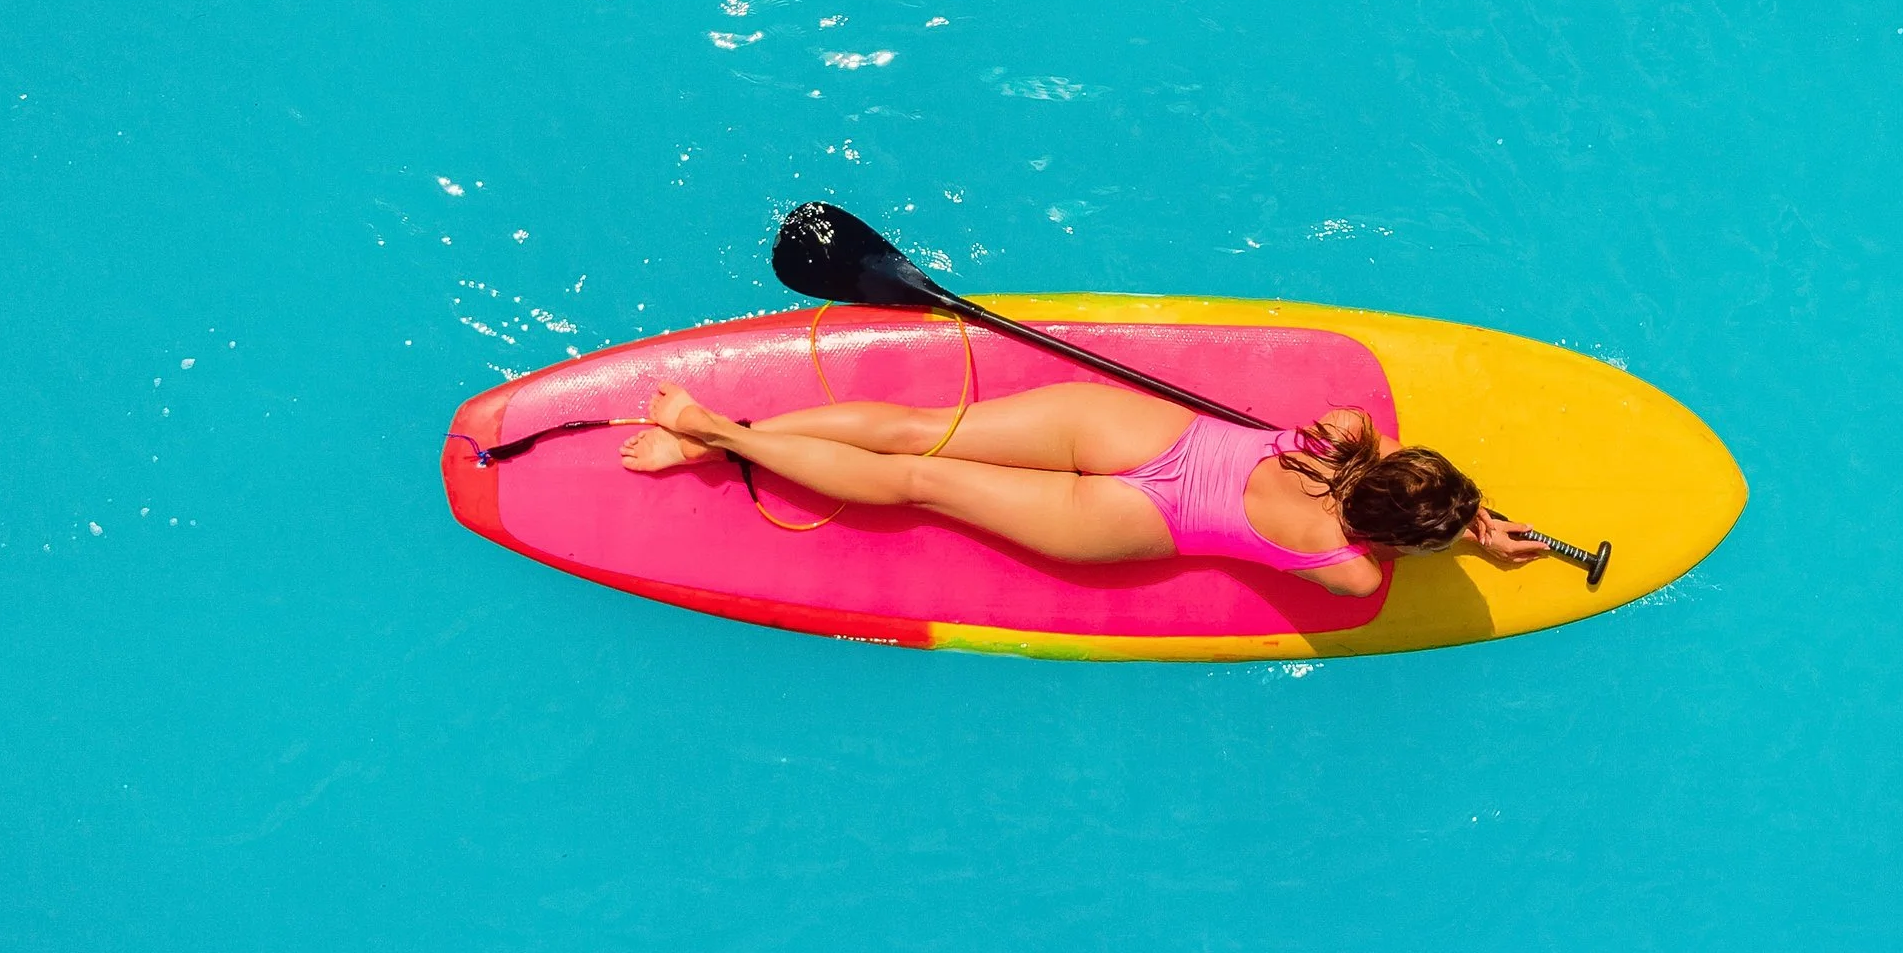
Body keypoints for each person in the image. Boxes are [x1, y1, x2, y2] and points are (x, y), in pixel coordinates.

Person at [618, 380, 1550, 597]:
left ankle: (714, 432)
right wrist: (1471, 541)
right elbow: (1386, 540)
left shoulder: (1345, 430)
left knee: (914, 431)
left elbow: (1386, 452)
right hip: (1131, 517)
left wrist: (1465, 508)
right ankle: (714, 438)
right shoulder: (1351, 570)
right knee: (914, 482)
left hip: (1130, 432)